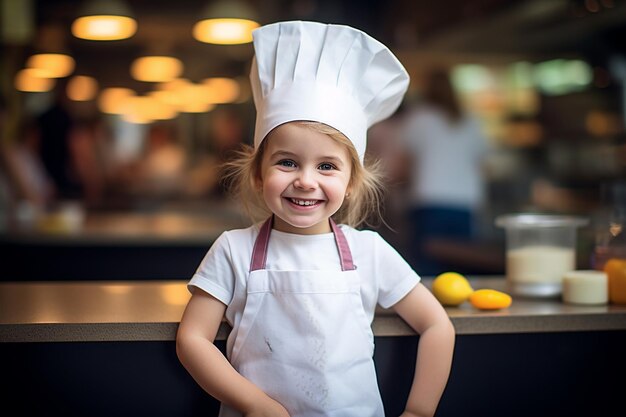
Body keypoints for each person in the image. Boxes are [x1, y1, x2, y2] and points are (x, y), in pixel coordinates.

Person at [176, 21, 455, 417]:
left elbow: (437, 325)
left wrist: (419, 410)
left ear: (352, 183)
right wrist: (254, 404)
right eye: (287, 162)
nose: (305, 181)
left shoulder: (369, 252)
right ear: (258, 175)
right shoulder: (233, 249)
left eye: (327, 166)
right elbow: (192, 339)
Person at [401, 68, 489, 275]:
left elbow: (405, 163)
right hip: (465, 200)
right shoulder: (470, 120)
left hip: (429, 198)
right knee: (463, 263)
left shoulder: (419, 118)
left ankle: (430, 307)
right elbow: (482, 163)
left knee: (428, 265)